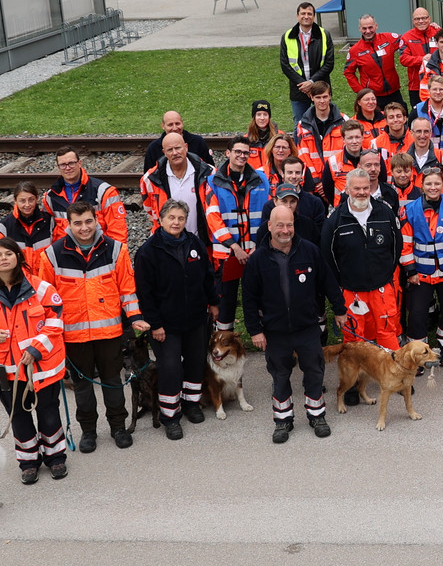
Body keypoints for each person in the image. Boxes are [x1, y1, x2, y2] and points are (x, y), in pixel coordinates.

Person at [37, 201, 148, 453]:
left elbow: (127, 290)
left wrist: (134, 317)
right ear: (68, 224)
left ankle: (118, 427)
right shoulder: (52, 254)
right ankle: (88, 431)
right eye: (78, 223)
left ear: (96, 220)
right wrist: (49, 333)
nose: (84, 227)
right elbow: (45, 299)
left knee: (112, 382)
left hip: (109, 333)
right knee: (83, 387)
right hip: (74, 336)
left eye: (88, 221)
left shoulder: (115, 249)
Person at [0, 237, 69, 483]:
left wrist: (36, 348)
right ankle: (28, 463)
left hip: (42, 369)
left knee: (48, 414)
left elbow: (56, 322)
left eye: (8, 254)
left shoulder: (42, 288)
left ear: (17, 257)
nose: (4, 258)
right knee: (19, 419)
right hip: (7, 372)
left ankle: (56, 458)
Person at [241, 204, 331, 442]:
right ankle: (283, 421)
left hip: (306, 327)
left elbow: (327, 281)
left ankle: (317, 415)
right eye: (279, 225)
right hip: (275, 331)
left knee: (314, 371)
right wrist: (255, 331)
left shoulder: (309, 251)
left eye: (289, 225)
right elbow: (248, 298)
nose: (285, 230)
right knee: (280, 375)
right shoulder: (257, 260)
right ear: (269, 226)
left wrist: (340, 309)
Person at [132, 198, 220, 439]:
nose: (176, 222)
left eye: (181, 218)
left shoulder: (195, 244)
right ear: (161, 220)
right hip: (165, 325)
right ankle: (170, 416)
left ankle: (192, 403)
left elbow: (207, 276)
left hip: (194, 318)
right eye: (171, 217)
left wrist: (213, 302)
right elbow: (145, 293)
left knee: (193, 362)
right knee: (170, 368)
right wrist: (155, 324)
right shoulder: (149, 251)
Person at [326, 166, 402, 350]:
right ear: (347, 190)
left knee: (387, 332)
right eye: (356, 189)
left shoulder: (385, 213)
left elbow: (396, 247)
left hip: (382, 288)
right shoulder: (335, 220)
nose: (361, 193)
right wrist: (343, 282)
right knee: (354, 338)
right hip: (351, 292)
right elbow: (328, 256)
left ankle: (391, 377)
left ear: (370, 188)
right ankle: (357, 378)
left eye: (365, 188)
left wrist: (384, 273)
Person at [398, 168, 443, 365]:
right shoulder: (409, 210)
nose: (433, 187)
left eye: (437, 184)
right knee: (417, 315)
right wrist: (410, 271)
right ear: (422, 186)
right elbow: (405, 244)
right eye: (429, 184)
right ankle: (417, 357)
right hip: (421, 275)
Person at [204, 139, 270, 331]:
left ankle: (269, 342)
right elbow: (213, 218)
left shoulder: (260, 179)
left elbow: (267, 214)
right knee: (226, 303)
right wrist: (234, 247)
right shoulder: (213, 181)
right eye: (237, 152)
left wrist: (259, 245)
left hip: (256, 253)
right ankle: (223, 345)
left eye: (246, 153)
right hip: (227, 255)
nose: (242, 156)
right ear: (228, 153)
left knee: (262, 298)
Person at [46, 148, 127, 244]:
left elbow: (117, 231)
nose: (67, 168)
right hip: (66, 255)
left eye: (71, 163)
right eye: (63, 165)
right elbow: (47, 235)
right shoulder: (51, 196)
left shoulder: (104, 192)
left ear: (79, 163)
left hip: (99, 253)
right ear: (58, 168)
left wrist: (114, 255)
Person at [140, 131, 211, 236]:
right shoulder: (149, 179)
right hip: (166, 242)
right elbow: (149, 209)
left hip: (202, 240)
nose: (174, 153)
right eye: (170, 150)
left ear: (186, 147)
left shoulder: (208, 173)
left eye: (178, 148)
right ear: (164, 152)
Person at [280, 1, 338, 126]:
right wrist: (302, 84)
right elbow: (285, 65)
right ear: (297, 16)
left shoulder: (324, 35)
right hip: (298, 88)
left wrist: (311, 83)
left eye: (309, 14)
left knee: (326, 122)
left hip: (321, 87)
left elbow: (329, 63)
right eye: (303, 13)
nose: (306, 16)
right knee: (300, 123)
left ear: (314, 16)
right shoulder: (287, 36)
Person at [294, 81, 348, 198]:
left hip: (339, 181)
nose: (322, 101)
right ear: (311, 97)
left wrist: (330, 180)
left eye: (325, 97)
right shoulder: (302, 125)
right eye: (318, 97)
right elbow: (303, 155)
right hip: (314, 185)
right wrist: (317, 182)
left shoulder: (344, 121)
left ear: (330, 96)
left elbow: (347, 152)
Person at [0, 181, 55, 274]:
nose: (27, 205)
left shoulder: (50, 222)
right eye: (22, 201)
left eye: (31, 200)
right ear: (15, 201)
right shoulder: (3, 228)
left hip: (45, 282)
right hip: (17, 282)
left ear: (37, 198)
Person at [345, 13, 404, 107]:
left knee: (400, 119)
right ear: (359, 29)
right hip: (373, 97)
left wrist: (432, 29)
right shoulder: (355, 50)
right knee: (378, 121)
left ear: (376, 26)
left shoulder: (388, 39)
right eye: (364, 28)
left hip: (394, 92)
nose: (368, 31)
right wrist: (361, 91)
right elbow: (348, 72)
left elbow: (408, 39)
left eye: (370, 27)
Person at [142, 110, 213, 172]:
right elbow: (149, 176)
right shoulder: (153, 148)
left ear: (182, 123)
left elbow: (209, 169)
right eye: (170, 125)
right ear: (163, 126)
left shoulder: (198, 142)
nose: (175, 128)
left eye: (177, 123)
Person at [397, 6, 443, 88]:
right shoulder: (407, 37)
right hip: (417, 85)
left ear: (429, 19)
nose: (421, 21)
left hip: (440, 83)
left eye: (424, 18)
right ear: (413, 21)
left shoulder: (439, 32)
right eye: (417, 19)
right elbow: (404, 59)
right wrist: (422, 59)